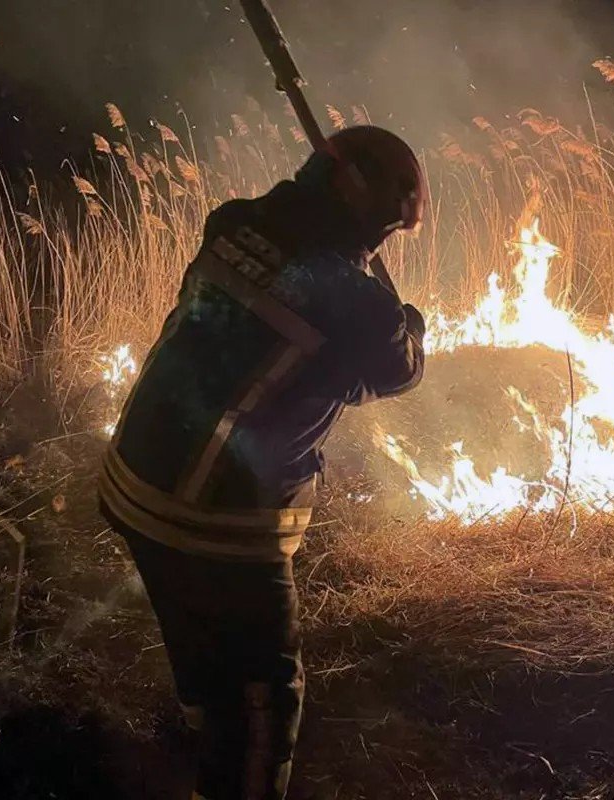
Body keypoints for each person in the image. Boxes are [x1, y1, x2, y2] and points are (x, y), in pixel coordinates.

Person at [97, 125, 427, 800]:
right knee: (266, 704)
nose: (379, 244)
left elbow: (309, 329)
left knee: (202, 659)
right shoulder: (360, 304)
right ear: (361, 201)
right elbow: (398, 371)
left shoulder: (235, 222)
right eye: (385, 231)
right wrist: (410, 322)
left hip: (132, 480)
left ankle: (203, 727)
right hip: (216, 521)